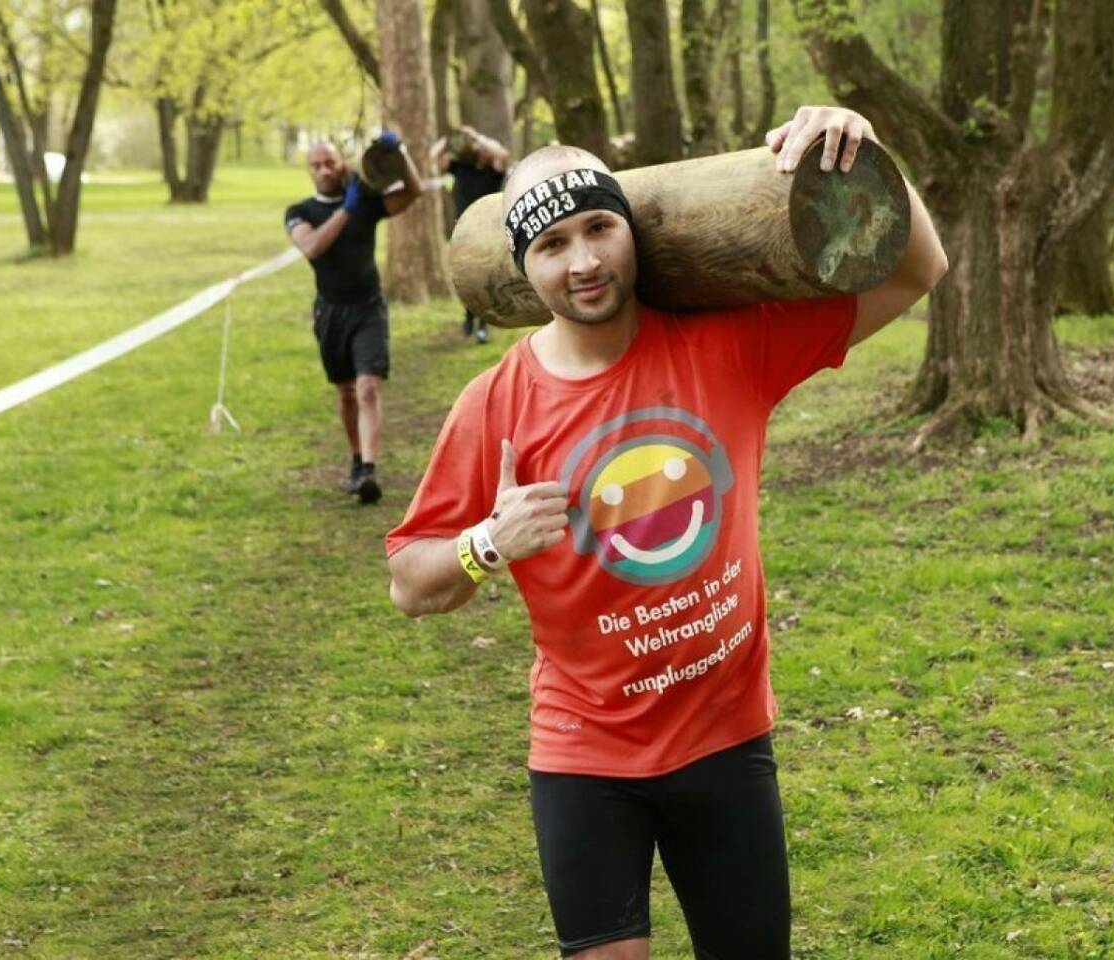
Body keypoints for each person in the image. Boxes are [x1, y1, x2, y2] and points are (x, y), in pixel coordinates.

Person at [386, 105, 947, 959]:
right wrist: (486, 543)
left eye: (599, 228)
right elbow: (409, 584)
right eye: (552, 245)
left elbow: (920, 267)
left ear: (630, 229)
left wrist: (864, 143)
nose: (584, 262)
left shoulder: (731, 346)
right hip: (585, 753)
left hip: (725, 740)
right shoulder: (495, 404)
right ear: (522, 267)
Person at [284, 133, 426, 504]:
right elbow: (313, 247)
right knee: (346, 392)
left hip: (368, 307)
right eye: (316, 165)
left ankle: (369, 470)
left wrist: (400, 152)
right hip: (331, 311)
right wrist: (345, 210)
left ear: (342, 163)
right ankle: (356, 457)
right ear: (309, 171)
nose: (324, 169)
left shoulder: (366, 200)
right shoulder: (299, 212)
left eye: (330, 162)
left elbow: (413, 191)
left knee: (367, 388)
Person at [431, 126, 511, 344]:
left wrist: (478, 137)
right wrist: (450, 139)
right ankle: (468, 318)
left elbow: (502, 155)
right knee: (464, 277)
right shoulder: (461, 168)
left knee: (485, 279)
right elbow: (435, 157)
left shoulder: (493, 173)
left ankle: (483, 324)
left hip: (486, 234)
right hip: (461, 231)